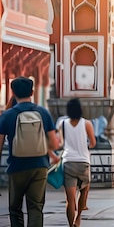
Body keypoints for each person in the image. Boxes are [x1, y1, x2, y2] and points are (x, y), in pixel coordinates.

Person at [0, 77, 60, 226]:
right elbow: (54, 143)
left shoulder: (7, 115)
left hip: (16, 167)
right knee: (35, 208)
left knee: (15, 209)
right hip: (39, 166)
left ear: (13, 93)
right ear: (32, 92)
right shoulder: (43, 113)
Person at [55, 98, 96, 227]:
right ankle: (78, 218)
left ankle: (70, 224)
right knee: (84, 190)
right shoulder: (87, 124)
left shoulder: (63, 124)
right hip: (83, 162)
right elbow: (93, 143)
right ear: (80, 109)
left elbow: (61, 144)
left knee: (69, 199)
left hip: (68, 162)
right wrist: (84, 146)